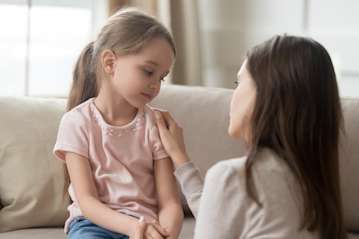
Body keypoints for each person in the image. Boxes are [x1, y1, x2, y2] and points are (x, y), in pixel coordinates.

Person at [155, 35, 348, 239]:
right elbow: (221, 217)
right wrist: (180, 158)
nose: (232, 95)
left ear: (268, 93)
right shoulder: (315, 186)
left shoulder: (234, 177)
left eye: (239, 82)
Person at [53, 8, 183, 239]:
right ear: (110, 62)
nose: (156, 85)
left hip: (147, 227)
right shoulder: (76, 122)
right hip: (91, 225)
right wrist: (133, 228)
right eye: (148, 71)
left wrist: (167, 233)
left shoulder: (155, 125)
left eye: (161, 77)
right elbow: (87, 201)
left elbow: (170, 202)